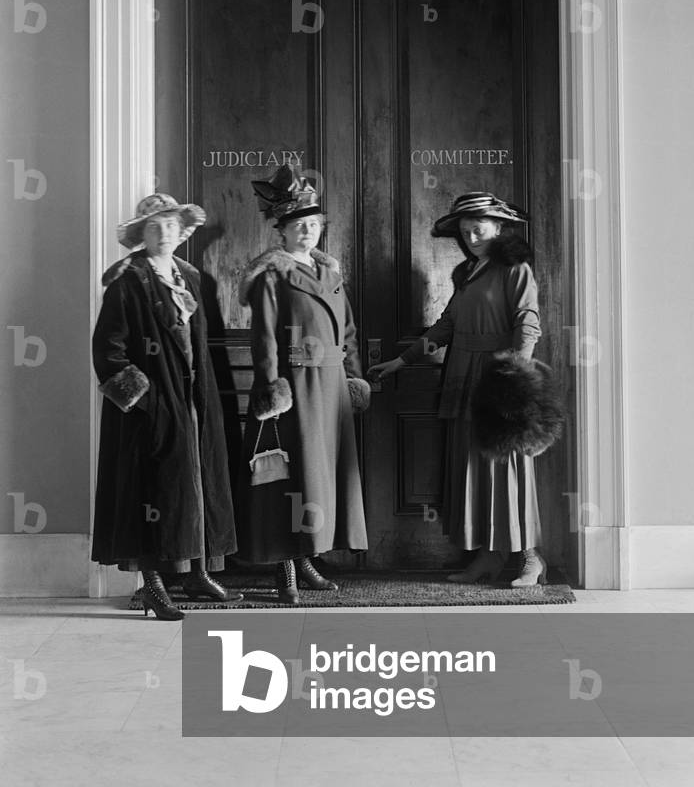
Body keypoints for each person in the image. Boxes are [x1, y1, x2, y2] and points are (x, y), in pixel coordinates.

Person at [368, 191, 546, 587]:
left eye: (478, 225)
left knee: (508, 468)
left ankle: (529, 559)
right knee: (473, 467)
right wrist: (401, 361)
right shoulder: (467, 273)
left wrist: (513, 380)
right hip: (463, 376)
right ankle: (487, 556)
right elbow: (446, 326)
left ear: (498, 227)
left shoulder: (515, 269)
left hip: (499, 377)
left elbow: (528, 324)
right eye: (465, 229)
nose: (471, 233)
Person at [91, 193, 239, 619]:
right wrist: (147, 401)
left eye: (171, 225)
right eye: (156, 226)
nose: (165, 233)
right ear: (142, 233)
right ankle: (153, 585)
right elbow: (108, 351)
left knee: (197, 484)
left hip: (193, 400)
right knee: (152, 492)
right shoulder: (127, 281)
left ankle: (197, 573)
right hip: (153, 408)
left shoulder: (189, 278)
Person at [236, 165, 370, 604]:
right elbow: (265, 337)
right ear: (283, 232)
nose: (308, 232)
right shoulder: (271, 276)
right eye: (299, 226)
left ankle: (308, 557)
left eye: (314, 225)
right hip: (295, 386)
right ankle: (285, 568)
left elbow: (347, 331)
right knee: (292, 477)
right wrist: (272, 386)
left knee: (323, 478)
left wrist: (353, 376)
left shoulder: (331, 273)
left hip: (331, 389)